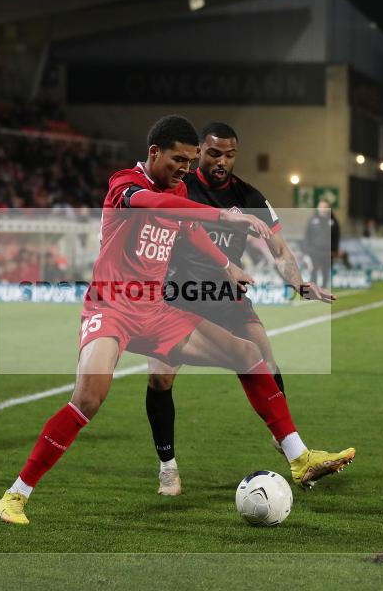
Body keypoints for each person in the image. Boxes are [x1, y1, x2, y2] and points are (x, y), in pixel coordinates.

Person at [0, 115, 354, 525]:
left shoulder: (179, 188)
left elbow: (188, 228)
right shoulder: (125, 184)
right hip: (112, 307)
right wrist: (224, 217)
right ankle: (16, 494)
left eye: (189, 161)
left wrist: (225, 265)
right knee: (89, 398)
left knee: (248, 354)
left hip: (156, 309)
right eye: (178, 159)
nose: (185, 168)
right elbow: (156, 204)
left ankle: (299, 457)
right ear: (154, 152)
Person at [144, 122, 335, 495]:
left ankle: (288, 445)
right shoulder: (181, 186)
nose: (222, 161)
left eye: (230, 155)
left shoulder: (249, 196)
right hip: (179, 293)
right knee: (160, 377)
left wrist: (299, 283)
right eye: (215, 153)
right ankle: (168, 467)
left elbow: (279, 250)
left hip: (228, 294)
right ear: (200, 151)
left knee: (266, 359)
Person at [304, 200, 337, 286]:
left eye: (325, 207)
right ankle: (313, 289)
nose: (323, 209)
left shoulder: (333, 221)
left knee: (325, 273)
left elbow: (336, 237)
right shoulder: (312, 220)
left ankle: (324, 288)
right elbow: (307, 236)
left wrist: (334, 250)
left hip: (327, 252)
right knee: (313, 272)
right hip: (314, 251)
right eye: (321, 207)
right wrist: (307, 250)